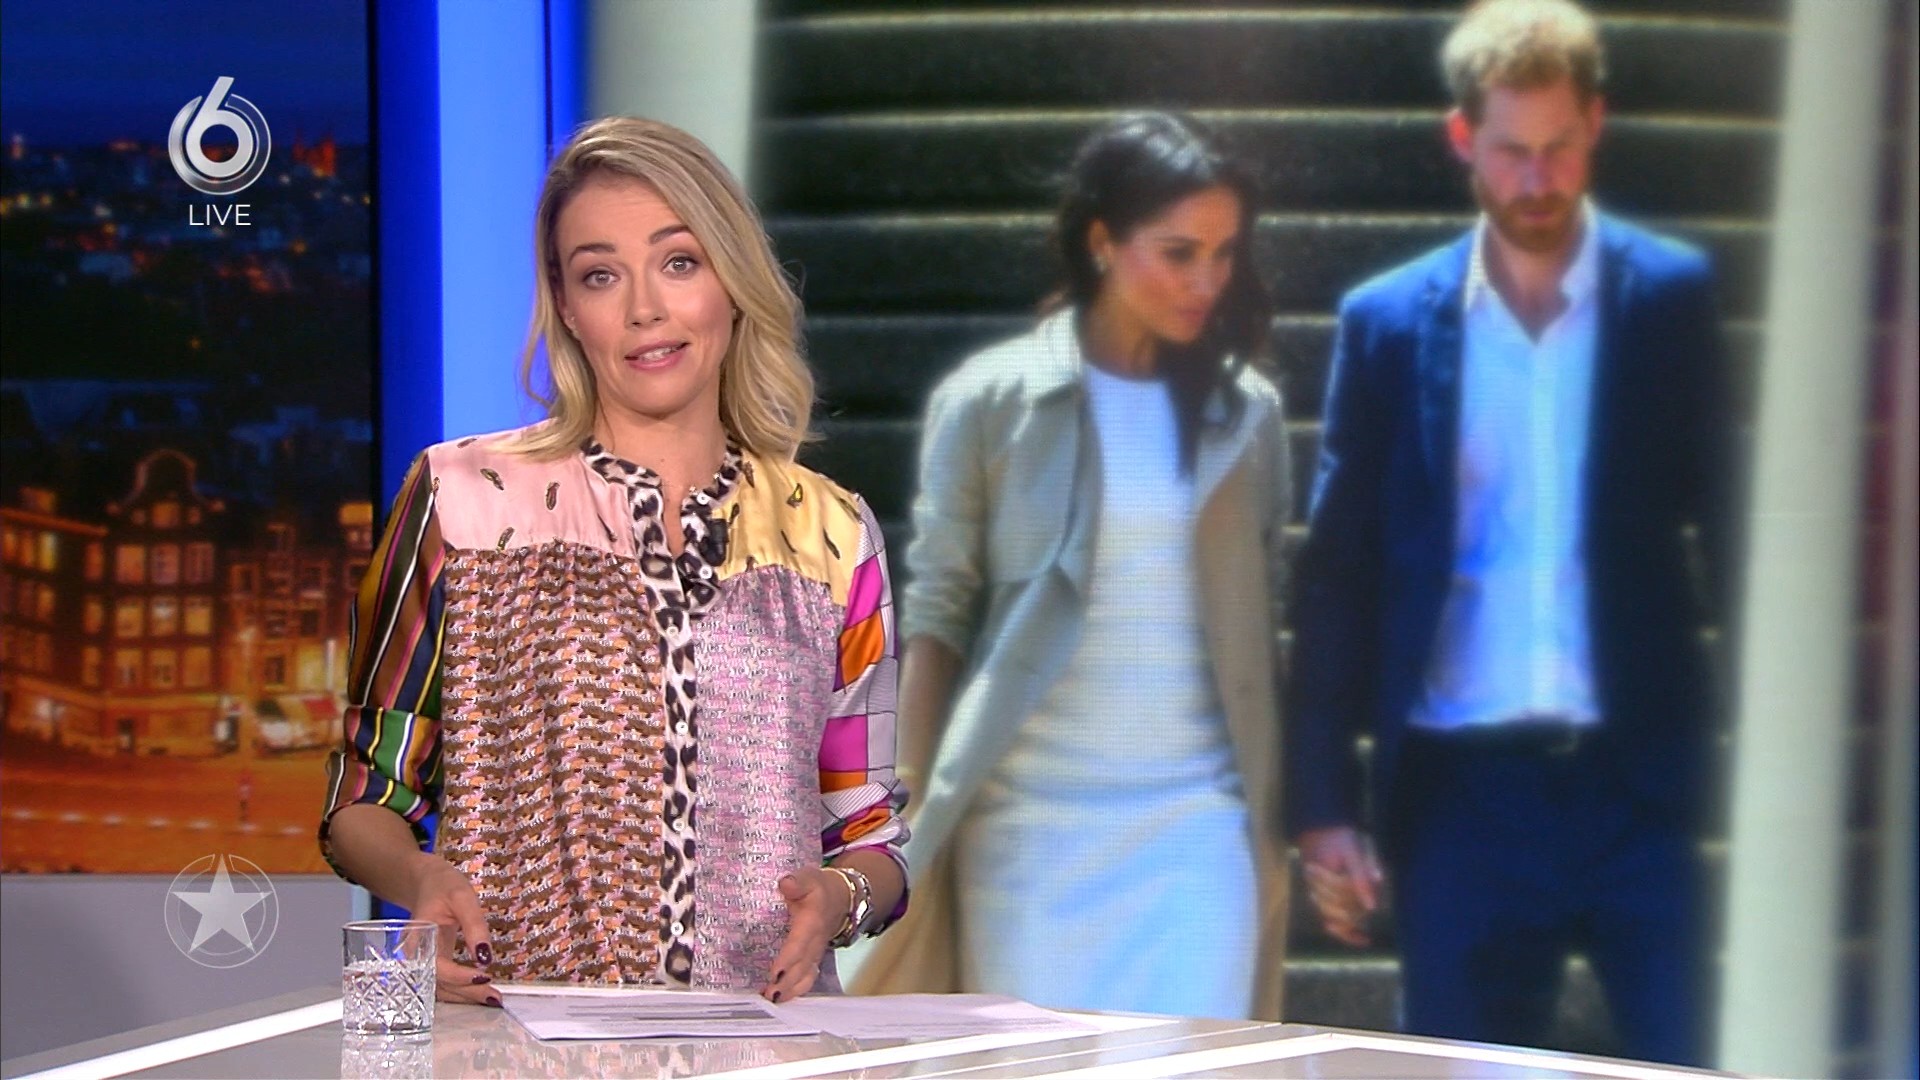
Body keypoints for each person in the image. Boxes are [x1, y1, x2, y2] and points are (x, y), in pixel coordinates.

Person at [318, 117, 909, 1006]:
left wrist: (839, 897)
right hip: (515, 1038)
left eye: (679, 262)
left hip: (763, 1046)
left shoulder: (833, 533)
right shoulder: (461, 500)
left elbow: (870, 833)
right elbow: (365, 797)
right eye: (601, 275)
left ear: (731, 279)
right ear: (565, 304)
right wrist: (422, 879)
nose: (644, 310)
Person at [1285, 0, 1739, 1064]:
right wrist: (1324, 805)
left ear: (1596, 125)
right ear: (1463, 139)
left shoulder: (1670, 298)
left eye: (1560, 147)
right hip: (1463, 797)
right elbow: (1340, 571)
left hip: (1637, 782)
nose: (1538, 180)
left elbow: (1729, 531)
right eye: (1511, 151)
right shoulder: (1388, 322)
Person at [850, 113, 1292, 1019]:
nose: (1206, 281)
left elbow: (1262, 618)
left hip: (1197, 825)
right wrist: (899, 810)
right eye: (1178, 253)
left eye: (1223, 255)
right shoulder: (989, 401)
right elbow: (938, 612)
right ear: (1101, 242)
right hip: (1027, 829)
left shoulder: (1248, 414)